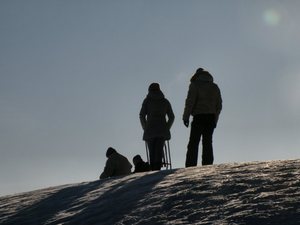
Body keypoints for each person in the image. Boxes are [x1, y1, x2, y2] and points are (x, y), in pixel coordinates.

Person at [183, 68, 222, 167]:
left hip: (198, 116)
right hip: (211, 117)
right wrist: (215, 119)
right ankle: (208, 164)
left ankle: (190, 165)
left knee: (193, 142)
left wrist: (186, 116)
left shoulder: (195, 85)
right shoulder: (215, 87)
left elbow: (190, 102)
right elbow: (219, 106)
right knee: (208, 142)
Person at [140, 83, 175, 171]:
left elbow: (141, 115)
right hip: (162, 129)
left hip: (150, 130)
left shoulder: (147, 101)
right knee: (159, 150)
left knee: (152, 151)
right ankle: (158, 169)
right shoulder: (165, 101)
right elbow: (172, 117)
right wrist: (167, 128)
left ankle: (153, 170)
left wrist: (145, 127)